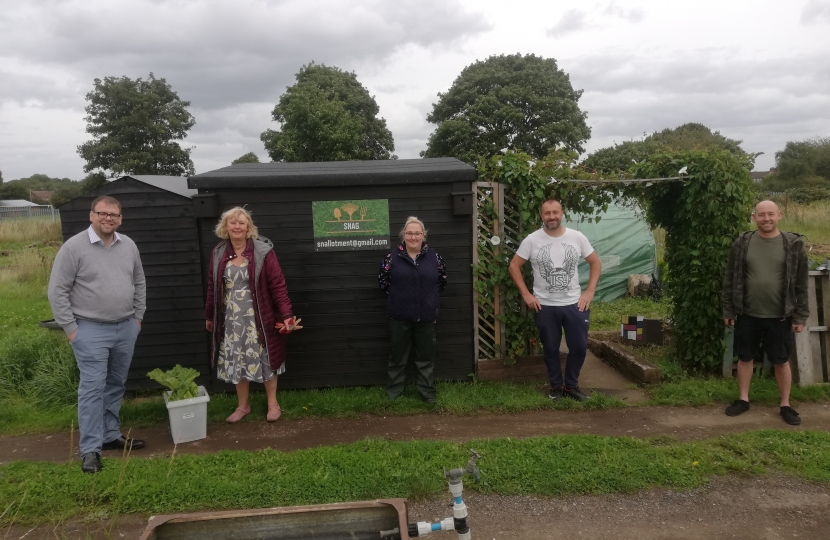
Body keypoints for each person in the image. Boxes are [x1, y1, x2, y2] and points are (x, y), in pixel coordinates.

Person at [48, 195, 146, 474]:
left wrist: (137, 318)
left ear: (120, 219)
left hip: (125, 326)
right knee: (92, 388)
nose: (108, 219)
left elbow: (139, 281)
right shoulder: (74, 248)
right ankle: (90, 450)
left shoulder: (128, 245)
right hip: (88, 329)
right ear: (91, 215)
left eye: (114, 215)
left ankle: (110, 435)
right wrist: (71, 330)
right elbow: (57, 291)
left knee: (116, 383)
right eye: (102, 213)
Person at [205, 207, 296, 423]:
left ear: (248, 228)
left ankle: (273, 404)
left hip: (259, 318)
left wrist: (286, 314)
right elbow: (212, 286)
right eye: (232, 222)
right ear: (225, 227)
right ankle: (243, 406)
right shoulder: (218, 253)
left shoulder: (262, 252)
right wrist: (210, 316)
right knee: (239, 359)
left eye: (241, 223)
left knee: (265, 359)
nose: (237, 226)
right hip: (231, 320)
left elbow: (278, 284)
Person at [722, 200, 809, 425]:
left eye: (771, 214)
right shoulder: (743, 243)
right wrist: (729, 309)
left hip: (781, 315)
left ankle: (785, 404)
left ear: (779, 215)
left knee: (781, 360)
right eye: (761, 215)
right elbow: (730, 278)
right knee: (745, 357)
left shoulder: (793, 244)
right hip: (748, 313)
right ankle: (743, 399)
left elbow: (801, 284)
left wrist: (800, 316)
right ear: (754, 218)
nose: (766, 218)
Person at [508, 199, 601, 402]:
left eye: (555, 212)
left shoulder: (577, 237)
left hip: (575, 304)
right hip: (545, 305)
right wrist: (526, 294)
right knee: (550, 348)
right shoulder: (532, 240)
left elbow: (595, 263)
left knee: (578, 347)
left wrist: (589, 292)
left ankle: (572, 386)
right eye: (547, 213)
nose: (552, 216)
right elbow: (514, 266)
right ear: (541, 215)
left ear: (562, 213)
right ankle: (556, 387)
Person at [378, 216, 447, 403]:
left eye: (417, 233)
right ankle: (394, 393)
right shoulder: (392, 258)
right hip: (399, 316)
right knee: (397, 357)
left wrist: (428, 301)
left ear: (423, 235)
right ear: (403, 235)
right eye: (409, 233)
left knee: (425, 358)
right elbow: (383, 283)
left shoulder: (435, 257)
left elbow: (441, 282)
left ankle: (427, 393)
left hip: (426, 316)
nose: (413, 237)